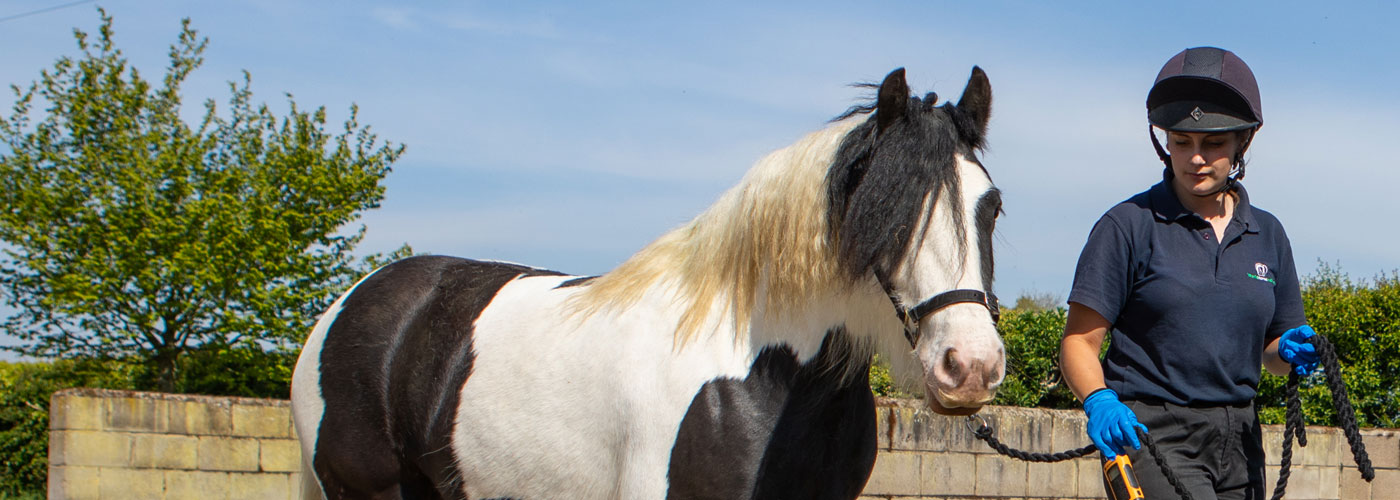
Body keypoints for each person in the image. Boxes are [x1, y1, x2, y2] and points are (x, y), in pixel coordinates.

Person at [1059, 46, 1322, 499]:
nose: (1195, 158)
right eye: (1181, 142)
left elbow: (1271, 355)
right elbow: (1079, 343)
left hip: (1240, 438)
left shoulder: (1269, 234)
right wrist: (1099, 400)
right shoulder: (1127, 226)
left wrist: (1291, 350)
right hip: (1149, 432)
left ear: (1243, 141)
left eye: (1213, 143)